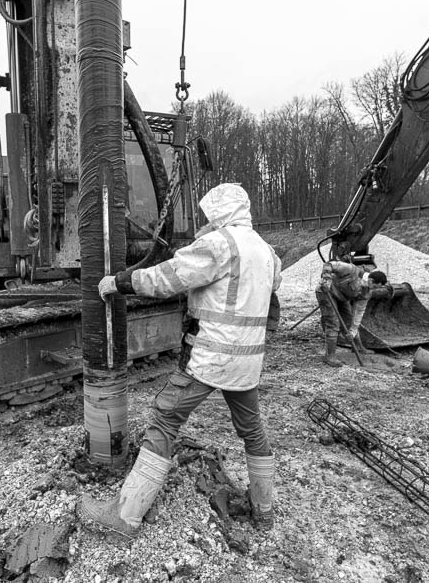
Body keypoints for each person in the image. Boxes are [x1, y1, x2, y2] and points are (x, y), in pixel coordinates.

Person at [80, 183, 283, 539]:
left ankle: (125, 516)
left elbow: (167, 279)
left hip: (210, 357)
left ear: (218, 213)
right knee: (252, 431)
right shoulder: (267, 252)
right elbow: (267, 293)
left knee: (164, 419)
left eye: (209, 216)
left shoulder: (220, 245)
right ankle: (263, 511)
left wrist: (120, 282)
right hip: (247, 363)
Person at [316, 259, 387, 367]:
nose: (374, 290)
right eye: (375, 286)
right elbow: (329, 265)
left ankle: (358, 347)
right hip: (326, 293)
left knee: (349, 321)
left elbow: (359, 312)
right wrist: (326, 280)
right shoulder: (351, 270)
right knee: (333, 323)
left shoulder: (366, 293)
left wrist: (352, 331)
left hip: (341, 297)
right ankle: (329, 357)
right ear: (371, 280)